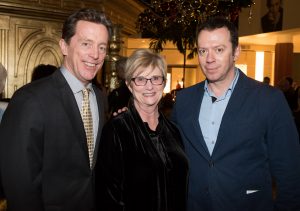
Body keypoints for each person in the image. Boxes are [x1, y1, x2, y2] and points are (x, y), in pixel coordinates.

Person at [171, 17, 300, 211]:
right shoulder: (184, 100)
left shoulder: (269, 99)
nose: (209, 58)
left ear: (236, 52)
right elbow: (170, 153)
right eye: (203, 50)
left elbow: (289, 171)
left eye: (219, 50)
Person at [0, 8, 111, 210]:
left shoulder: (100, 97)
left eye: (102, 47)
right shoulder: (30, 99)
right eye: (86, 44)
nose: (95, 55)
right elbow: (19, 183)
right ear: (64, 46)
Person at [95, 49, 189, 211]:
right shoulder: (117, 130)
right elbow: (108, 200)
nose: (149, 86)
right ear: (129, 85)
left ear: (163, 83)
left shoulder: (174, 131)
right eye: (140, 79)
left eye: (155, 78)